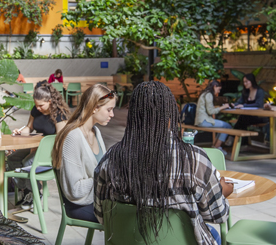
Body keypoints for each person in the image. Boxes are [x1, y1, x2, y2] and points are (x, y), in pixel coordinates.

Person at [95, 81, 232, 245]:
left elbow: (101, 216)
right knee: (214, 235)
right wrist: (222, 192)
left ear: (132, 115)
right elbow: (218, 215)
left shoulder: (110, 160)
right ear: (170, 115)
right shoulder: (195, 160)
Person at [52, 84, 116, 223]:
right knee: (127, 217)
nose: (112, 114)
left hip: (97, 198)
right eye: (109, 109)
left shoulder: (96, 132)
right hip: (79, 204)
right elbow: (75, 190)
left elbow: (104, 170)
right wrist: (107, 177)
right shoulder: (73, 137)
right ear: (95, 107)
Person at [9, 83, 70, 207]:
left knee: (27, 162)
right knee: (12, 158)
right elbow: (29, 128)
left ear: (50, 101)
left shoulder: (60, 114)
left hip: (50, 150)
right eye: (36, 105)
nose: (38, 108)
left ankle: (35, 193)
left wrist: (40, 151)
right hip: (37, 146)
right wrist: (21, 132)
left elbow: (60, 139)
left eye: (41, 105)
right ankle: (25, 189)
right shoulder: (36, 110)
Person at [194, 80, 232, 150]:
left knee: (224, 127)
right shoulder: (209, 95)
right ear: (215, 86)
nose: (219, 92)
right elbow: (210, 111)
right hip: (204, 121)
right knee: (227, 126)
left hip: (200, 120)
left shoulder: (204, 93)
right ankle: (217, 148)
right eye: (219, 89)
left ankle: (216, 147)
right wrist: (223, 107)